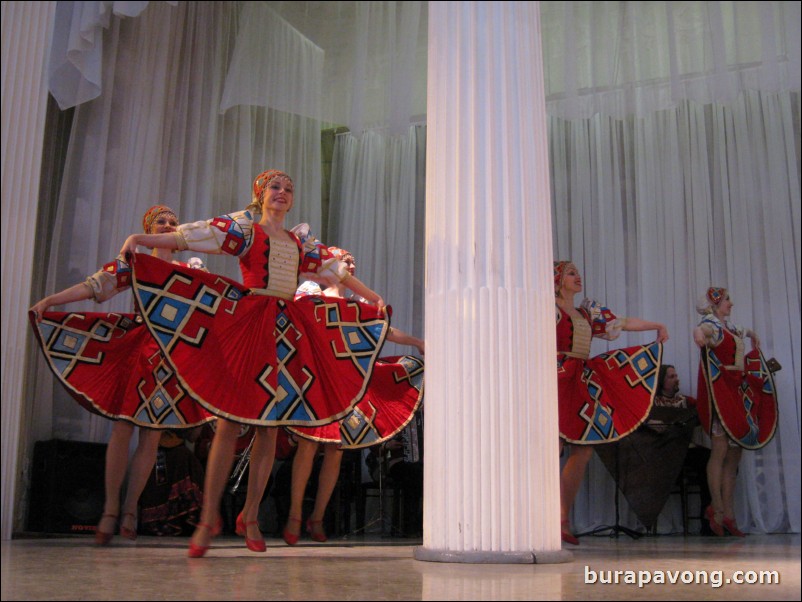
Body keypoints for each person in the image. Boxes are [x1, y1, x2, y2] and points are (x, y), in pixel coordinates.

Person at [118, 169, 391, 557]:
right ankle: (210, 516)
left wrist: (374, 296)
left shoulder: (299, 243)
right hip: (250, 325)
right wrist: (140, 239)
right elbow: (194, 235)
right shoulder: (246, 230)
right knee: (230, 420)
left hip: (284, 332)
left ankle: (250, 515)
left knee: (269, 428)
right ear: (260, 195)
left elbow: (336, 270)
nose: (282, 193)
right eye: (275, 188)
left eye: (288, 189)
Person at [29, 205, 214, 545]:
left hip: (170, 357)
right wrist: (51, 301)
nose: (168, 225)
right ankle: (111, 508)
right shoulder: (137, 263)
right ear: (148, 228)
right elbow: (95, 286)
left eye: (173, 222)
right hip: (140, 353)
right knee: (123, 426)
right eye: (161, 221)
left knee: (152, 434)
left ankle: (131, 508)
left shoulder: (190, 271)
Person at [282, 247, 425, 544]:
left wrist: (416, 341)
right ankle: (295, 514)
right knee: (308, 446)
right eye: (344, 261)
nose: (351, 265)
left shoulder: (357, 303)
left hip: (345, 384)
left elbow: (384, 330)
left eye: (353, 262)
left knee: (336, 449)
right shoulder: (311, 290)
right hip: (315, 378)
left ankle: (317, 517)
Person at [554, 260, 668, 545]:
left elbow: (623, 322)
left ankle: (561, 517)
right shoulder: (546, 309)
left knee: (583, 451)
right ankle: (541, 519)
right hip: (553, 379)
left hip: (580, 381)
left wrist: (656, 325)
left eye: (578, 272)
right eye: (570, 272)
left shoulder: (587, 311)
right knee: (550, 450)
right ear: (556, 278)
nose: (578, 276)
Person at [693, 287, 779, 537]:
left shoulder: (728, 327)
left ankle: (729, 514)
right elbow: (703, 331)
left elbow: (742, 330)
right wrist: (698, 332)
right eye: (727, 300)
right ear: (716, 304)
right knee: (720, 451)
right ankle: (717, 509)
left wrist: (753, 334)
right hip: (722, 396)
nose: (731, 303)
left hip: (736, 396)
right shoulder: (712, 326)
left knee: (735, 455)